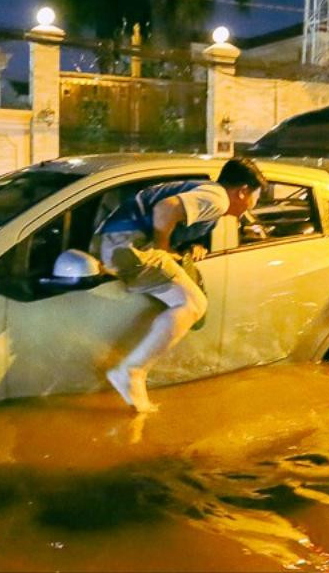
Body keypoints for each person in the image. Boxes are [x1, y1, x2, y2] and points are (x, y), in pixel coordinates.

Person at [97, 157, 266, 413]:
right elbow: (166, 209)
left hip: (117, 242)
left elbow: (172, 216)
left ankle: (131, 371)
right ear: (243, 190)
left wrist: (180, 249)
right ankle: (132, 371)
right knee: (194, 303)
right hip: (126, 245)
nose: (253, 206)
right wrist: (162, 250)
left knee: (189, 301)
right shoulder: (217, 198)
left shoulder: (204, 191)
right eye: (256, 196)